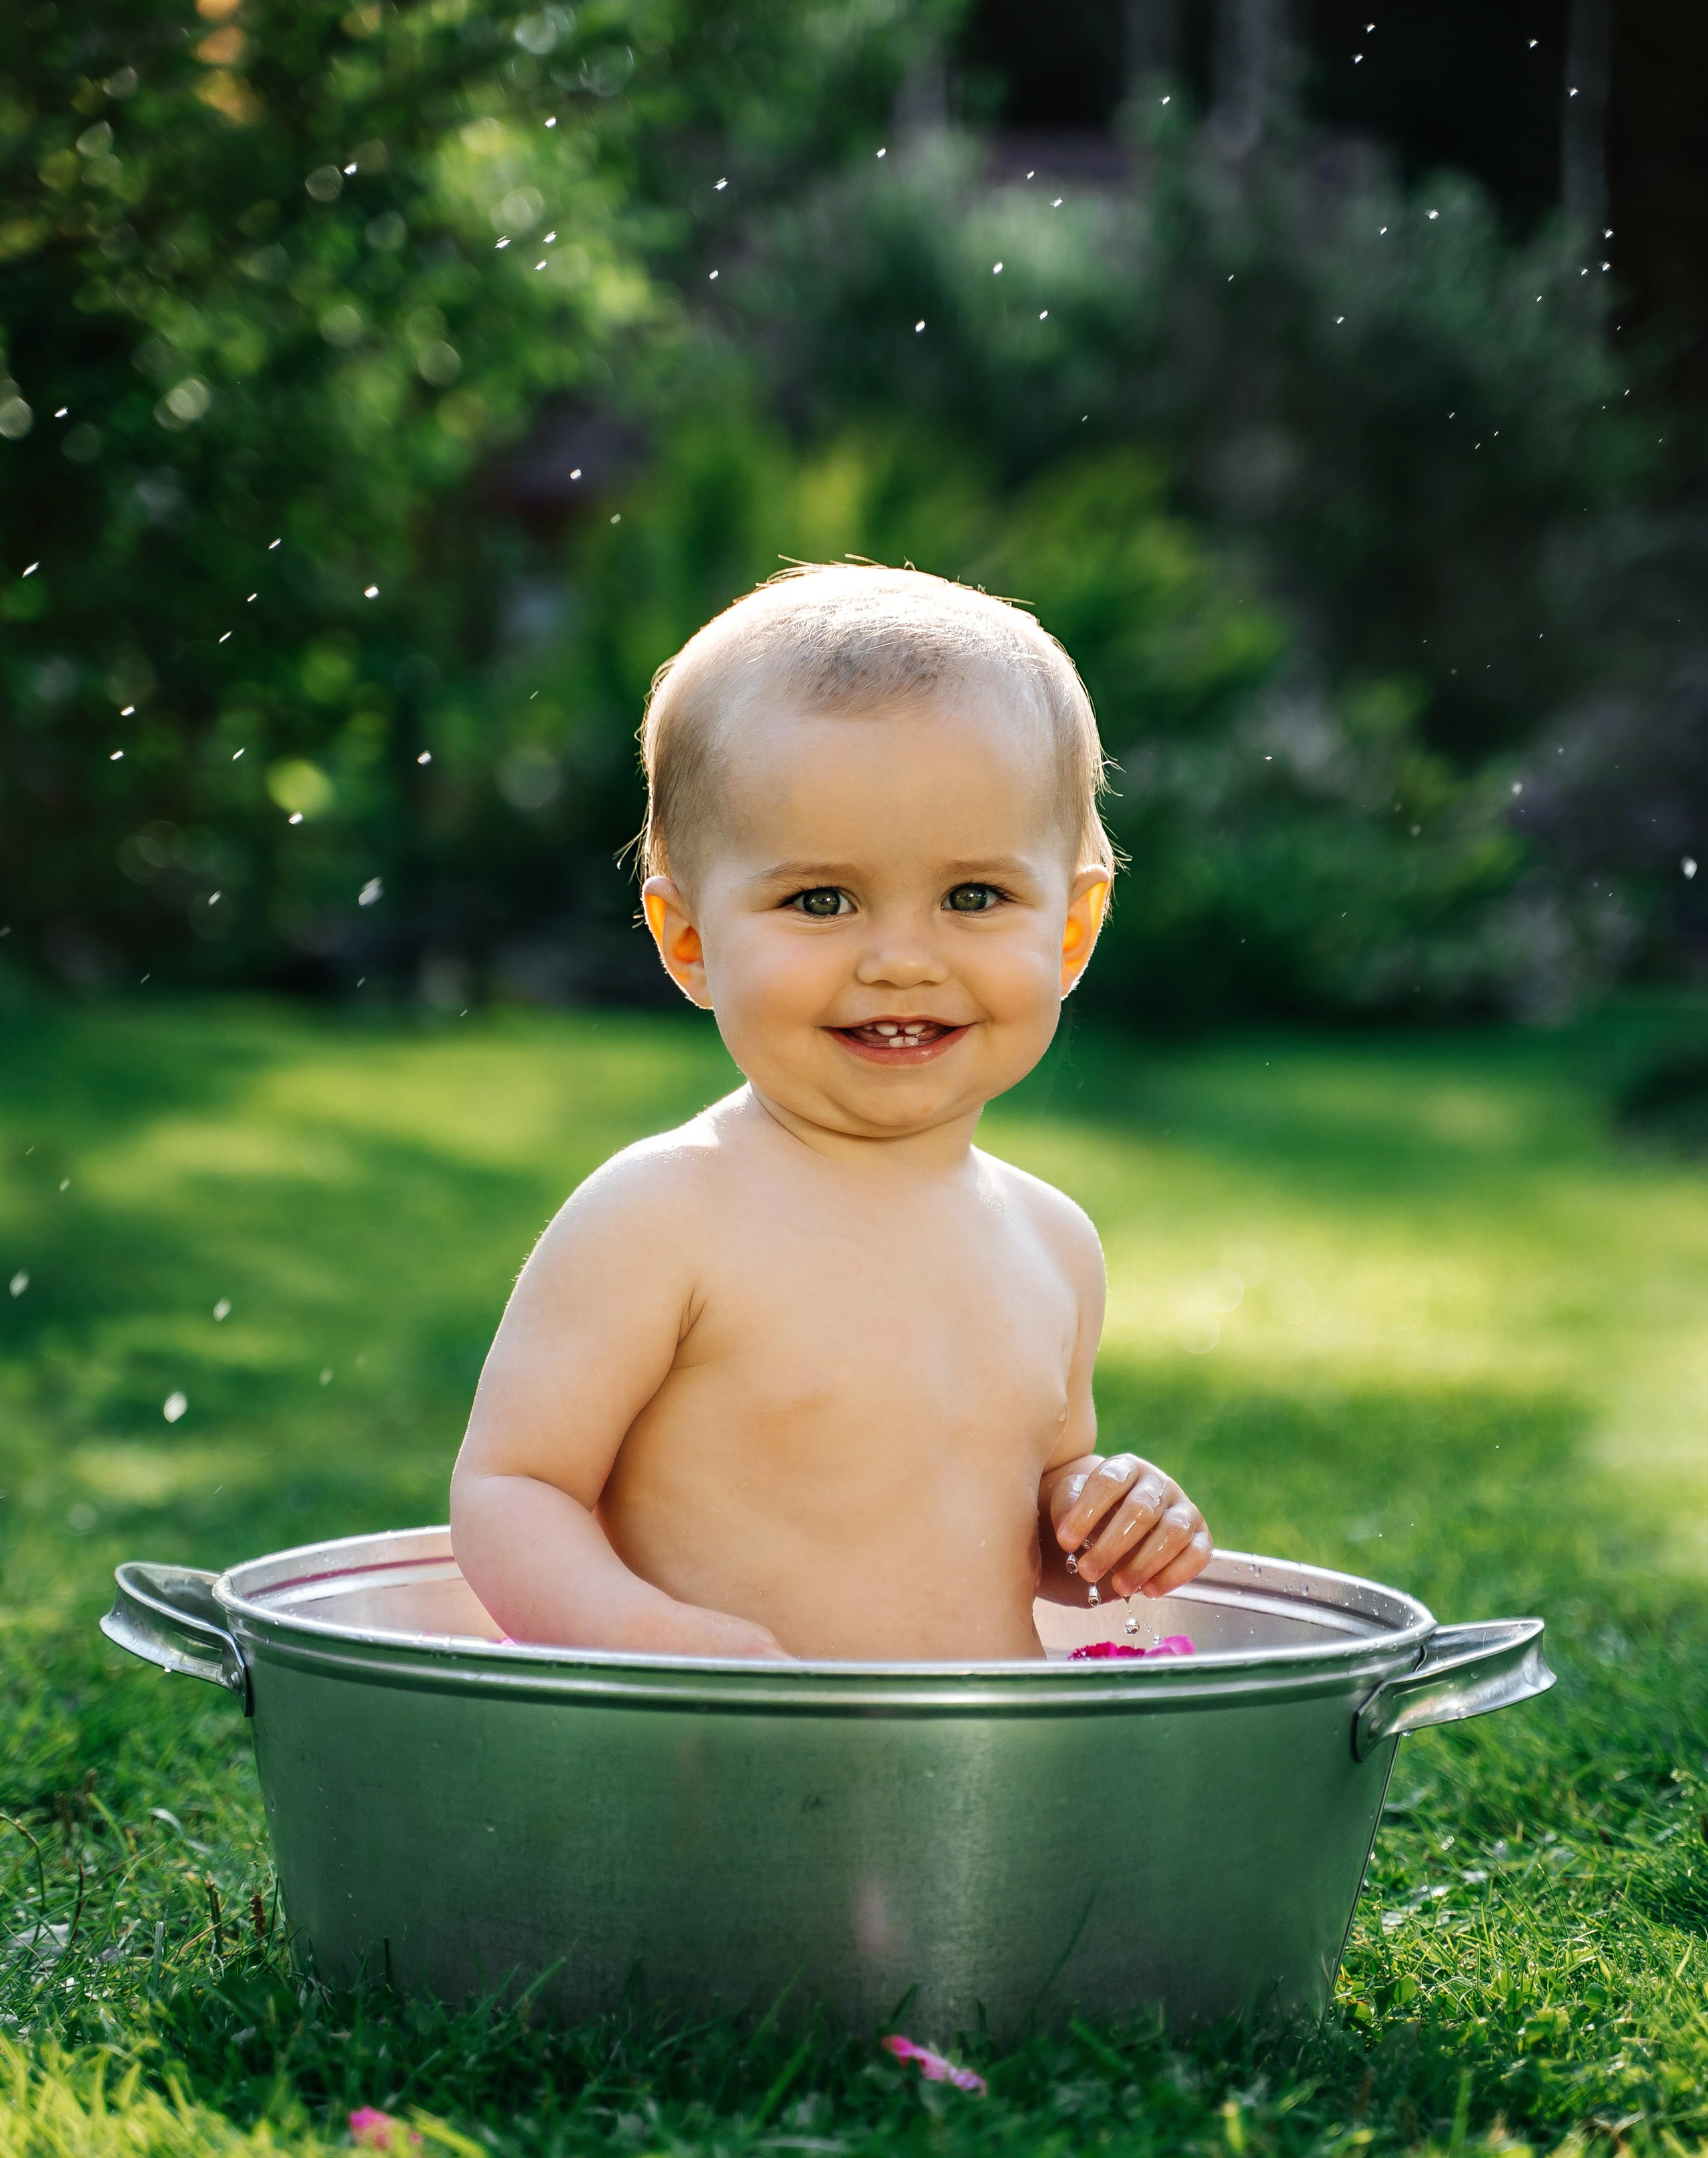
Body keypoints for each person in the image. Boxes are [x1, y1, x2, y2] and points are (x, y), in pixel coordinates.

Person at [450, 565, 1212, 1660]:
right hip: (708, 1754)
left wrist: (1105, 1517)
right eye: (821, 900)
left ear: (1071, 931)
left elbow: (1030, 1537)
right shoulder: (663, 1216)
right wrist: (656, 1642)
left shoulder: (1055, 1244)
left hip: (974, 1761)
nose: (901, 960)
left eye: (974, 897)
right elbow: (512, 1489)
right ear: (689, 942)